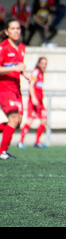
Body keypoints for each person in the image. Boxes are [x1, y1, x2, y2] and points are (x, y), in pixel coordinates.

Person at [0, 19, 31, 160]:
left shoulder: (22, 47)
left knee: (17, 122)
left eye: (18, 28)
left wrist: (25, 74)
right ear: (7, 32)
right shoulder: (3, 47)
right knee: (13, 119)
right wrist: (14, 68)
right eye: (13, 28)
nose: (16, 31)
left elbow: (19, 66)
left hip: (16, 89)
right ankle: (3, 152)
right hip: (4, 89)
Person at [18, 57, 48, 149]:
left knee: (44, 119)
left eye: (45, 63)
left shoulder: (41, 74)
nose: (44, 65)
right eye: (42, 63)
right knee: (30, 120)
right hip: (34, 101)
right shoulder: (35, 72)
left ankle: (37, 142)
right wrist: (33, 97)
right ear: (38, 64)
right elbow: (31, 85)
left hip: (40, 102)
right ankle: (21, 142)